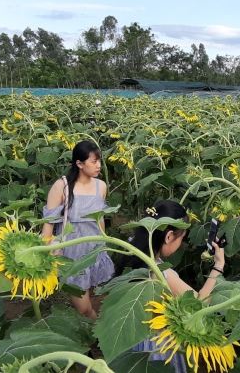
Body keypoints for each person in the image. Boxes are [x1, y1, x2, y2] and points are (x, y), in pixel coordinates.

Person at [117, 200, 226, 373]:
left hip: (132, 335)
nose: (181, 243)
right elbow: (199, 303)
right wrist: (218, 266)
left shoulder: (133, 250)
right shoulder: (161, 274)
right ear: (168, 237)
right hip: (156, 344)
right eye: (181, 237)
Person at [41, 140, 113, 320]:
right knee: (83, 309)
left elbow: (100, 218)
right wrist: (45, 251)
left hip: (94, 250)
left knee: (87, 296)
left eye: (99, 161)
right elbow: (50, 221)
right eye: (93, 162)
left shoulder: (101, 186)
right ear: (79, 164)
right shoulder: (63, 186)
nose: (98, 166)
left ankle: (89, 337)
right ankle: (98, 331)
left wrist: (105, 243)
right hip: (72, 253)